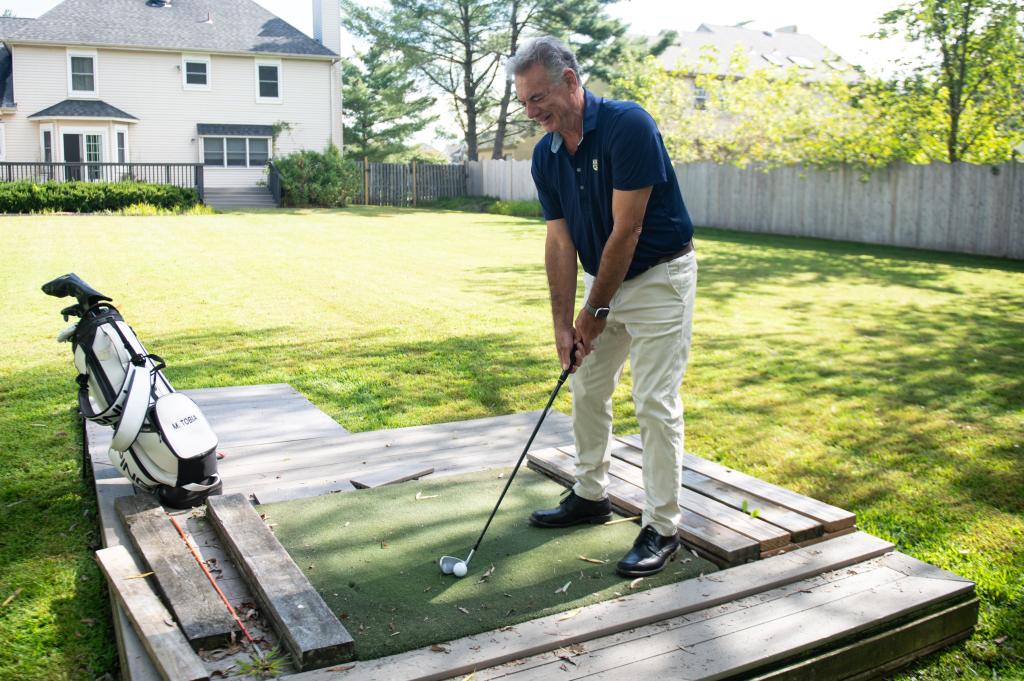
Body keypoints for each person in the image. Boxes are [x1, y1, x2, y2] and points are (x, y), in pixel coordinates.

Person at [506, 37, 697, 577]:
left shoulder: (628, 125)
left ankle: (663, 526)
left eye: (538, 96)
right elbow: (560, 242)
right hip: (604, 278)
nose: (532, 110)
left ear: (570, 81)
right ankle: (591, 495)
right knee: (585, 384)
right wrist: (563, 326)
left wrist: (593, 311)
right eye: (523, 102)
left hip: (660, 276)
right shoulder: (546, 155)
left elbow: (628, 230)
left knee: (655, 401)